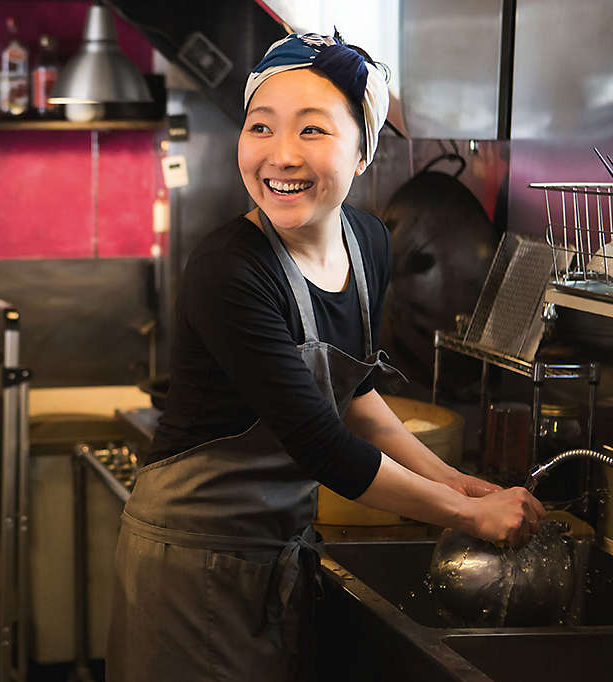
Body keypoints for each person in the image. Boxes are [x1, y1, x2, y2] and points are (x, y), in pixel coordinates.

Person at [106, 32, 546, 682]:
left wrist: (451, 480)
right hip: (191, 557)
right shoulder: (229, 268)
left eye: (313, 131)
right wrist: (466, 511)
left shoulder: (369, 244)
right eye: (261, 126)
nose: (280, 155)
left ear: (364, 151)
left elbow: (353, 396)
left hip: (275, 555)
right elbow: (320, 442)